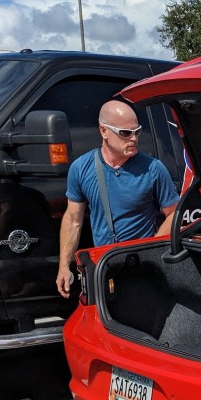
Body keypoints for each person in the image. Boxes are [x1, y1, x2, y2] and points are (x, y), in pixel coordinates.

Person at [56, 100, 179, 297]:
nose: (134, 138)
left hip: (142, 267)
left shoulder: (153, 169)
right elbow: (73, 220)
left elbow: (174, 214)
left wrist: (152, 248)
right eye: (125, 133)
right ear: (104, 131)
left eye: (137, 131)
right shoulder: (81, 168)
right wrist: (64, 266)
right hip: (105, 267)